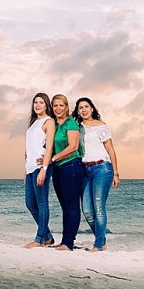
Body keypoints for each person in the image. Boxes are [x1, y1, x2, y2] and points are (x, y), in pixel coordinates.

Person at [74, 96, 119, 252]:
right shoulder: (77, 127)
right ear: (78, 111)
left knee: (99, 208)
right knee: (87, 210)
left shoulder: (101, 126)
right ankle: (102, 240)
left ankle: (98, 245)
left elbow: (111, 149)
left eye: (86, 106)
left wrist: (116, 173)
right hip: (85, 171)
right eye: (80, 108)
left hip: (102, 168)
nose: (84, 109)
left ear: (92, 108)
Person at [49, 94, 84, 251]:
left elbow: (73, 147)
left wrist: (54, 158)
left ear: (67, 107)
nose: (58, 109)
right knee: (65, 206)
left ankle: (68, 243)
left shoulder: (71, 123)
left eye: (61, 105)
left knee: (72, 206)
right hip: (58, 169)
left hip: (71, 167)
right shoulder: (54, 124)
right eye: (55, 106)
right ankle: (65, 240)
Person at [23, 92, 56, 248]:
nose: (37, 105)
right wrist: (26, 172)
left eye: (41, 102)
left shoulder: (49, 122)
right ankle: (48, 236)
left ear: (46, 105)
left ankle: (40, 238)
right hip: (30, 168)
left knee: (42, 203)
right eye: (35, 102)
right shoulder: (33, 123)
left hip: (40, 167)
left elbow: (49, 147)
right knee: (30, 203)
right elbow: (28, 151)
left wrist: (44, 169)